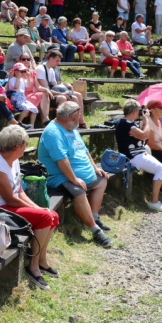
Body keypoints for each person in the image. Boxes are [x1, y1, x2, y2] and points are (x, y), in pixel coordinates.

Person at [0, 125, 59, 289]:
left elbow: (19, 191)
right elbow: (10, 199)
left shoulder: (13, 160)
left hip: (6, 207)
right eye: (26, 143)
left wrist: (39, 208)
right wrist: (40, 212)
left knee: (51, 214)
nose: (27, 147)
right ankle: (32, 267)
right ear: (17, 146)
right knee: (46, 217)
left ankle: (41, 260)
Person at [38, 101, 111, 246]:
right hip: (59, 177)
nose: (80, 117)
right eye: (79, 114)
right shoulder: (53, 132)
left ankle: (94, 216)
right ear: (70, 116)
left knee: (102, 179)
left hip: (80, 173)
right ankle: (95, 230)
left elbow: (84, 151)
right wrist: (75, 179)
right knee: (78, 191)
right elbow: (61, 160)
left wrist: (95, 168)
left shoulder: (71, 128)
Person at [116, 99, 162, 212]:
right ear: (134, 111)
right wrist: (147, 121)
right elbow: (145, 135)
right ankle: (154, 201)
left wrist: (145, 122)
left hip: (139, 153)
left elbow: (143, 136)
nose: (140, 113)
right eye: (139, 111)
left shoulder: (130, 123)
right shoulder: (125, 123)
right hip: (132, 156)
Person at [37, 49, 88, 129]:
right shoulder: (41, 69)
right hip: (44, 95)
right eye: (57, 61)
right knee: (63, 97)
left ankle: (77, 122)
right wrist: (62, 94)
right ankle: (60, 123)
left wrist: (66, 87)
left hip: (52, 93)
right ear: (51, 58)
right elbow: (45, 89)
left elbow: (55, 85)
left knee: (75, 96)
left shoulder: (51, 69)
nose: (58, 63)